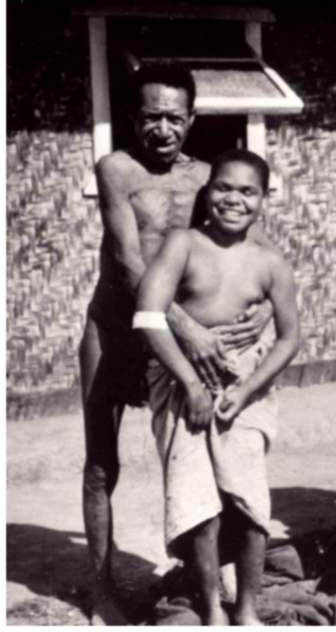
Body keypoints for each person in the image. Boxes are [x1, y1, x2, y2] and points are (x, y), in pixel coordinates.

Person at [79, 62, 274, 624]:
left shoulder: (211, 177)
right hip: (117, 330)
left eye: (173, 117)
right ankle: (101, 588)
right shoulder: (117, 169)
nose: (161, 129)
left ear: (191, 119)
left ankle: (206, 577)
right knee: (100, 464)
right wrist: (185, 326)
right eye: (150, 117)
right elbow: (127, 261)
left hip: (181, 341)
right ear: (132, 119)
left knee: (206, 456)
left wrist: (264, 310)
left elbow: (256, 249)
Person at [135, 149, 300, 625]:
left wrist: (245, 392)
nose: (233, 199)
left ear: (263, 199)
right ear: (207, 193)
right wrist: (190, 383)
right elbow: (148, 315)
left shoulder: (270, 262)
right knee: (198, 504)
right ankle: (211, 609)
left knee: (248, 500)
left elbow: (290, 338)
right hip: (182, 381)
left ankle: (246, 608)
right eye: (224, 188)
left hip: (244, 389)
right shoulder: (183, 244)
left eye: (247, 191)